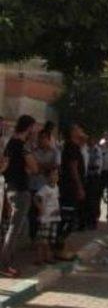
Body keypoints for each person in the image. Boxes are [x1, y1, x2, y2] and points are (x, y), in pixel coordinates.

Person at [0, 114, 39, 277]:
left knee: (12, 227)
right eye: (33, 128)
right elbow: (34, 167)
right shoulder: (23, 146)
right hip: (21, 190)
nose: (35, 131)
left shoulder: (9, 144)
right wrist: (28, 169)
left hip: (10, 188)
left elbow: (4, 166)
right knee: (14, 229)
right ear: (28, 128)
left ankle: (6, 261)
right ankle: (4, 264)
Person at [57, 124, 86, 261]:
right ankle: (60, 249)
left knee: (71, 217)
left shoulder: (75, 146)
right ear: (73, 132)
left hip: (70, 187)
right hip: (70, 188)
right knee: (67, 219)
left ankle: (63, 247)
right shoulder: (71, 147)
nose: (81, 131)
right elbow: (73, 168)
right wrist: (79, 187)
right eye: (78, 129)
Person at [34, 166, 61, 265]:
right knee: (42, 239)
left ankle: (47, 257)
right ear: (47, 177)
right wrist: (40, 208)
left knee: (50, 240)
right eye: (53, 175)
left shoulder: (56, 187)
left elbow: (56, 201)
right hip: (46, 218)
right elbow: (36, 198)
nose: (55, 177)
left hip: (55, 217)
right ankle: (39, 258)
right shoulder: (44, 189)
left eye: (56, 174)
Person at [85, 136, 103, 229]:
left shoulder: (96, 150)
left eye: (92, 139)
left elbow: (96, 165)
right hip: (87, 177)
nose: (90, 141)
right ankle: (88, 220)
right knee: (87, 200)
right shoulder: (86, 149)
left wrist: (88, 167)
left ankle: (93, 221)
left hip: (94, 177)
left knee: (94, 200)